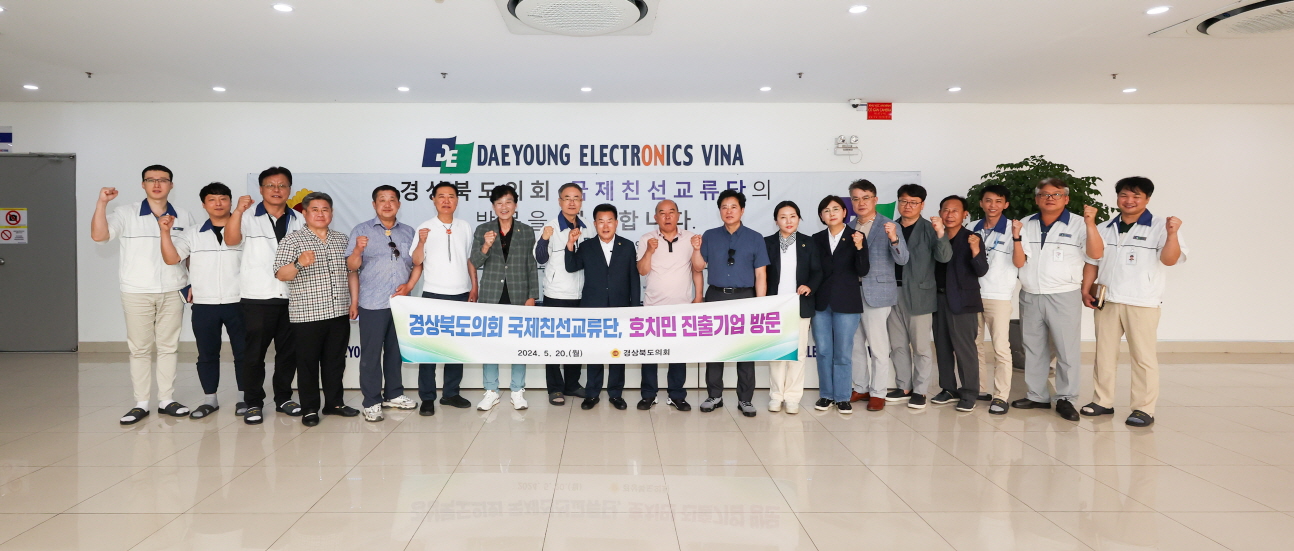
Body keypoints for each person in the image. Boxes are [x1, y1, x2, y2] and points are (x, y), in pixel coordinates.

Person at [91, 165, 197, 425]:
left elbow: (191, 253)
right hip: (136, 290)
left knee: (168, 347)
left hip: (173, 288)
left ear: (171, 185)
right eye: (151, 180)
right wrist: (102, 203)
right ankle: (141, 403)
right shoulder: (126, 213)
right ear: (143, 184)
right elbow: (99, 235)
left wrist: (195, 282)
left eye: (163, 180)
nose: (157, 184)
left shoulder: (184, 215)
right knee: (139, 349)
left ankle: (166, 400)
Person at [1081, 177, 1186, 427]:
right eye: (1124, 195)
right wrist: (1085, 290)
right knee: (1104, 354)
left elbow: (1170, 260)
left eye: (1136, 196)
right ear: (1117, 197)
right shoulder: (1104, 227)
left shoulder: (1161, 226)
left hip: (1142, 301)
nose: (1129, 201)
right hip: (1107, 299)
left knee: (1142, 357)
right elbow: (1093, 261)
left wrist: (1172, 234)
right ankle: (1102, 401)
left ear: (1147, 199)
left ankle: (1143, 408)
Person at [1010, 178, 1104, 421]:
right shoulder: (1026, 223)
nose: (1050, 198)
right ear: (1037, 199)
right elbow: (1020, 259)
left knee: (1066, 349)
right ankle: (1037, 395)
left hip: (1064, 294)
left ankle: (1066, 398)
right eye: (1044, 194)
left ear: (1066, 198)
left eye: (1056, 194)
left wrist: (1091, 224)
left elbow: (1095, 254)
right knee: (1033, 348)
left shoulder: (1079, 224)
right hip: (1030, 293)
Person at [158, 182, 245, 419]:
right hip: (205, 304)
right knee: (207, 354)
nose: (218, 204)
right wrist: (165, 232)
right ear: (204, 205)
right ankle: (210, 400)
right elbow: (172, 258)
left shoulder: (243, 230)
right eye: (212, 199)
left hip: (239, 302)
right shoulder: (193, 233)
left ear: (230, 201)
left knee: (244, 353)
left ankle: (244, 398)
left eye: (223, 199)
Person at [224, 167, 303, 425]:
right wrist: (237, 211)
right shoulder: (247, 216)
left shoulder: (299, 219)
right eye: (271, 185)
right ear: (261, 189)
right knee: (254, 354)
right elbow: (231, 240)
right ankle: (253, 402)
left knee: (288, 353)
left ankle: (283, 398)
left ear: (289, 189)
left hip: (292, 296)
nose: (276, 190)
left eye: (282, 185)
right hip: (258, 297)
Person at [273, 191, 356, 427]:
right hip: (307, 315)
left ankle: (334, 403)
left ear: (332, 213)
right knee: (307, 364)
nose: (320, 214)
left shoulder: (342, 239)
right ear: (305, 213)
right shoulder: (292, 240)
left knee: (335, 362)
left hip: (338, 312)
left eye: (325, 209)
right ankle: (309, 408)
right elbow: (280, 274)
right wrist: (299, 263)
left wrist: (353, 302)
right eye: (315, 210)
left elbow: (351, 271)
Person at [692, 190, 770, 417]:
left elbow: (761, 274)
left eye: (733, 206)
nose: (728, 211)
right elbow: (698, 267)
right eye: (724, 207)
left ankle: (745, 399)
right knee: (714, 349)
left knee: (745, 350)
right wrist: (696, 249)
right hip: (715, 296)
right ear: (719, 211)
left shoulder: (755, 237)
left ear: (742, 210)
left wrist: (761, 304)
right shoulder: (710, 235)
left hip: (745, 297)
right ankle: (714, 395)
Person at [347, 185, 421, 422]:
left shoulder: (408, 232)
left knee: (395, 352)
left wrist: (409, 286)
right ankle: (371, 401)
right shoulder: (362, 230)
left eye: (392, 200)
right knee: (370, 355)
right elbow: (351, 267)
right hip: (372, 302)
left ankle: (394, 394)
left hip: (400, 303)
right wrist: (357, 249)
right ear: (374, 204)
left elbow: (417, 264)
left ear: (399, 204)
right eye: (382, 200)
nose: (387, 204)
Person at [410, 182, 478, 415]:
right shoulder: (425, 227)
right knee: (429, 349)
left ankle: (451, 393)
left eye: (451, 196)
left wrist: (474, 287)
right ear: (433, 199)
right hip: (433, 294)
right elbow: (416, 261)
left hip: (461, 293)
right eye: (441, 196)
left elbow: (470, 259)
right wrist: (421, 241)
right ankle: (427, 397)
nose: (446, 200)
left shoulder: (465, 226)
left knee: (455, 348)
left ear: (457, 200)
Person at [470, 184, 539, 411]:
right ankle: (491, 390)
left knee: (519, 343)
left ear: (515, 205)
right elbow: (475, 262)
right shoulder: (483, 229)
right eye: (499, 203)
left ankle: (517, 390)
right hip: (491, 294)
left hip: (519, 294)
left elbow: (531, 265)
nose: (504, 207)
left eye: (508, 202)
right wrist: (486, 245)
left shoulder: (526, 231)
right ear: (493, 206)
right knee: (491, 344)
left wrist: (532, 295)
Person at [565, 203, 640, 410]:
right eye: (601, 221)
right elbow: (571, 266)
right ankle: (592, 393)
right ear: (595, 224)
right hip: (593, 308)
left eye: (609, 221)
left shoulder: (627, 246)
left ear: (616, 223)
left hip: (619, 308)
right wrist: (570, 244)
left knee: (617, 353)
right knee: (595, 352)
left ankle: (616, 394)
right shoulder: (587, 246)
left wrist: (634, 309)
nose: (605, 226)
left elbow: (634, 280)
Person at [885, 184, 951, 409]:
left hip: (920, 294)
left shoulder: (929, 228)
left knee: (921, 347)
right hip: (892, 293)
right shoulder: (890, 227)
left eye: (913, 202)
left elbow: (944, 257)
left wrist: (941, 233)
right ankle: (904, 386)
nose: (907, 206)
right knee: (897, 345)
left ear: (922, 205)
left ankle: (920, 390)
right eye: (903, 201)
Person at [848, 180, 910, 412]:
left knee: (878, 347)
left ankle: (878, 392)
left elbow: (902, 259)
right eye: (856, 199)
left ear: (875, 199)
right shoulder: (849, 226)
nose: (861, 203)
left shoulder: (889, 225)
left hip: (877, 293)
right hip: (852, 293)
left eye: (866, 198)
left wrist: (894, 238)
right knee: (855, 345)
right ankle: (861, 387)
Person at [636, 199, 703, 411]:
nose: (667, 216)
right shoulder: (646, 239)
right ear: (655, 217)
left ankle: (676, 395)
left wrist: (698, 296)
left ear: (678, 215)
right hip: (653, 307)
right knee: (650, 353)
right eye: (662, 213)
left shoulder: (691, 238)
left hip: (681, 307)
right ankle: (649, 394)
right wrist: (649, 251)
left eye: (671, 212)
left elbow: (697, 269)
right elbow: (642, 270)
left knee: (678, 353)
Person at [930, 196, 990, 412]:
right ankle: (948, 389)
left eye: (955, 211)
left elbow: (981, 270)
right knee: (942, 346)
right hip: (938, 299)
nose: (949, 215)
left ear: (965, 214)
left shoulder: (972, 237)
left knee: (965, 349)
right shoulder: (935, 236)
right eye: (946, 210)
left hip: (963, 301)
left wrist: (975, 250)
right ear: (940, 212)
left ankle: (969, 392)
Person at [811, 196, 870, 412]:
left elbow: (863, 270)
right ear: (821, 216)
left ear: (845, 212)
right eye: (826, 210)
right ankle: (826, 395)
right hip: (821, 303)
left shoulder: (857, 236)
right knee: (824, 351)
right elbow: (813, 270)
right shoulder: (816, 239)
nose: (831, 213)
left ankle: (843, 396)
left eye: (836, 209)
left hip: (847, 303)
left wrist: (860, 247)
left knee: (843, 353)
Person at [763, 201, 823, 413]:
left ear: (799, 218)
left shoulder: (809, 242)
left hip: (800, 305)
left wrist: (810, 286)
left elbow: (818, 271)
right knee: (776, 353)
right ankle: (776, 395)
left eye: (793, 216)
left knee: (798, 354)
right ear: (776, 220)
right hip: (775, 307)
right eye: (783, 217)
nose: (788, 221)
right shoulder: (767, 243)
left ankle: (792, 397)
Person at [536, 183, 589, 405]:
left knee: (576, 343)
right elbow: (540, 258)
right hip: (556, 294)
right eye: (567, 198)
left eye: (576, 198)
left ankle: (572, 384)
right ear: (560, 201)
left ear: (581, 202)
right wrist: (544, 239)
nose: (572, 202)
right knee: (554, 344)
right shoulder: (550, 227)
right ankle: (555, 388)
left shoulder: (588, 228)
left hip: (581, 295)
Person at [969, 185, 1020, 415]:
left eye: (998, 201)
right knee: (974, 345)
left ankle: (1001, 396)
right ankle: (980, 389)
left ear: (1006, 204)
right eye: (988, 200)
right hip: (972, 294)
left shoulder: (1014, 229)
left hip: (998, 296)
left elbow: (1020, 262)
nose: (993, 205)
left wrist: (1017, 237)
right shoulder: (972, 227)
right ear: (981, 203)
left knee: (1000, 347)